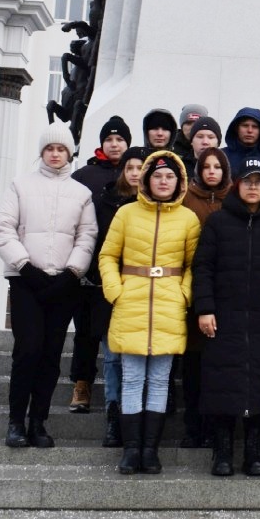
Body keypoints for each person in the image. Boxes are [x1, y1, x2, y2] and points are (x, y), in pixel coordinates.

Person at [0, 122, 97, 449]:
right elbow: (3, 230)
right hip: (26, 283)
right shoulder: (20, 186)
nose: (55, 154)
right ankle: (15, 422)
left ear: (69, 153)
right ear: (42, 152)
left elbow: (87, 236)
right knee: (28, 350)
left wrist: (72, 272)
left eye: (61, 149)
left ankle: (38, 421)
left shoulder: (81, 194)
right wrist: (25, 266)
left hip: (63, 285)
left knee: (51, 354)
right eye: (50, 148)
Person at [192, 157, 260, 476]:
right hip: (224, 318)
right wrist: (205, 308)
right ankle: (223, 451)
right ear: (237, 185)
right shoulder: (218, 222)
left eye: (259, 182)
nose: (253, 187)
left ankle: (255, 451)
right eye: (248, 181)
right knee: (223, 382)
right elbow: (203, 268)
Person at [99, 151, 202, 475]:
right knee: (131, 379)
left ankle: (150, 451)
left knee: (159, 381)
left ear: (179, 181)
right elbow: (107, 255)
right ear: (146, 179)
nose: (163, 181)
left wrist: (184, 295)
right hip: (131, 303)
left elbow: (194, 264)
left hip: (169, 306)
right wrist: (116, 290)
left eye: (170, 176)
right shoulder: (126, 213)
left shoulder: (188, 219)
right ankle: (131, 451)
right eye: (157, 175)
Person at [66, 115, 132, 414]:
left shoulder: (135, 174)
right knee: (86, 331)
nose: (114, 144)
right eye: (109, 139)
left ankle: (123, 391)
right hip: (90, 266)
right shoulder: (84, 176)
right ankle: (82, 383)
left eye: (120, 139)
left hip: (126, 268)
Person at [177, 145, 232, 448]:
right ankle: (192, 426)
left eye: (218, 167)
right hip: (193, 286)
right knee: (194, 365)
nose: (212, 172)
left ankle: (215, 426)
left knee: (219, 366)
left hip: (226, 292)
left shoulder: (234, 199)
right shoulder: (186, 198)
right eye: (207, 167)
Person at [93, 145, 147, 448]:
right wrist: (111, 286)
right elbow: (102, 247)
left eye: (140, 168)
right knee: (113, 358)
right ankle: (114, 417)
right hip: (112, 291)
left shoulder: (158, 205)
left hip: (146, 294)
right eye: (130, 168)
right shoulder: (106, 201)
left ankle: (139, 418)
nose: (135, 173)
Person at [223, 106, 260, 172]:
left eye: (255, 127)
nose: (250, 130)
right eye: (245, 125)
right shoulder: (222, 156)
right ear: (236, 128)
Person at [182, 116, 223, 183]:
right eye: (200, 137)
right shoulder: (180, 167)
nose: (205, 142)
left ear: (218, 143)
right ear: (191, 141)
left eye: (211, 137)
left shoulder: (226, 167)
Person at [173, 103, 209, 167]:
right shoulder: (170, 148)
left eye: (197, 123)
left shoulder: (210, 148)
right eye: (188, 123)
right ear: (182, 126)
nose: (192, 128)